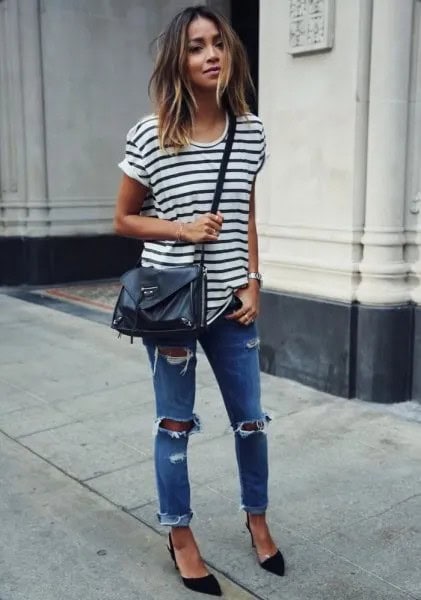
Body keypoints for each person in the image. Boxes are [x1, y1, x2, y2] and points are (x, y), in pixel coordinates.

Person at [114, 5, 284, 596]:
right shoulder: (153, 132)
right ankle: (179, 533)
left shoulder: (252, 130)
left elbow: (246, 212)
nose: (210, 54)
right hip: (171, 309)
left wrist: (254, 277)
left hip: (232, 305)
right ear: (178, 61)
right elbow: (124, 219)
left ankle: (256, 517)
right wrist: (183, 230)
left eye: (217, 43)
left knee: (252, 422)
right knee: (175, 425)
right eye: (195, 46)